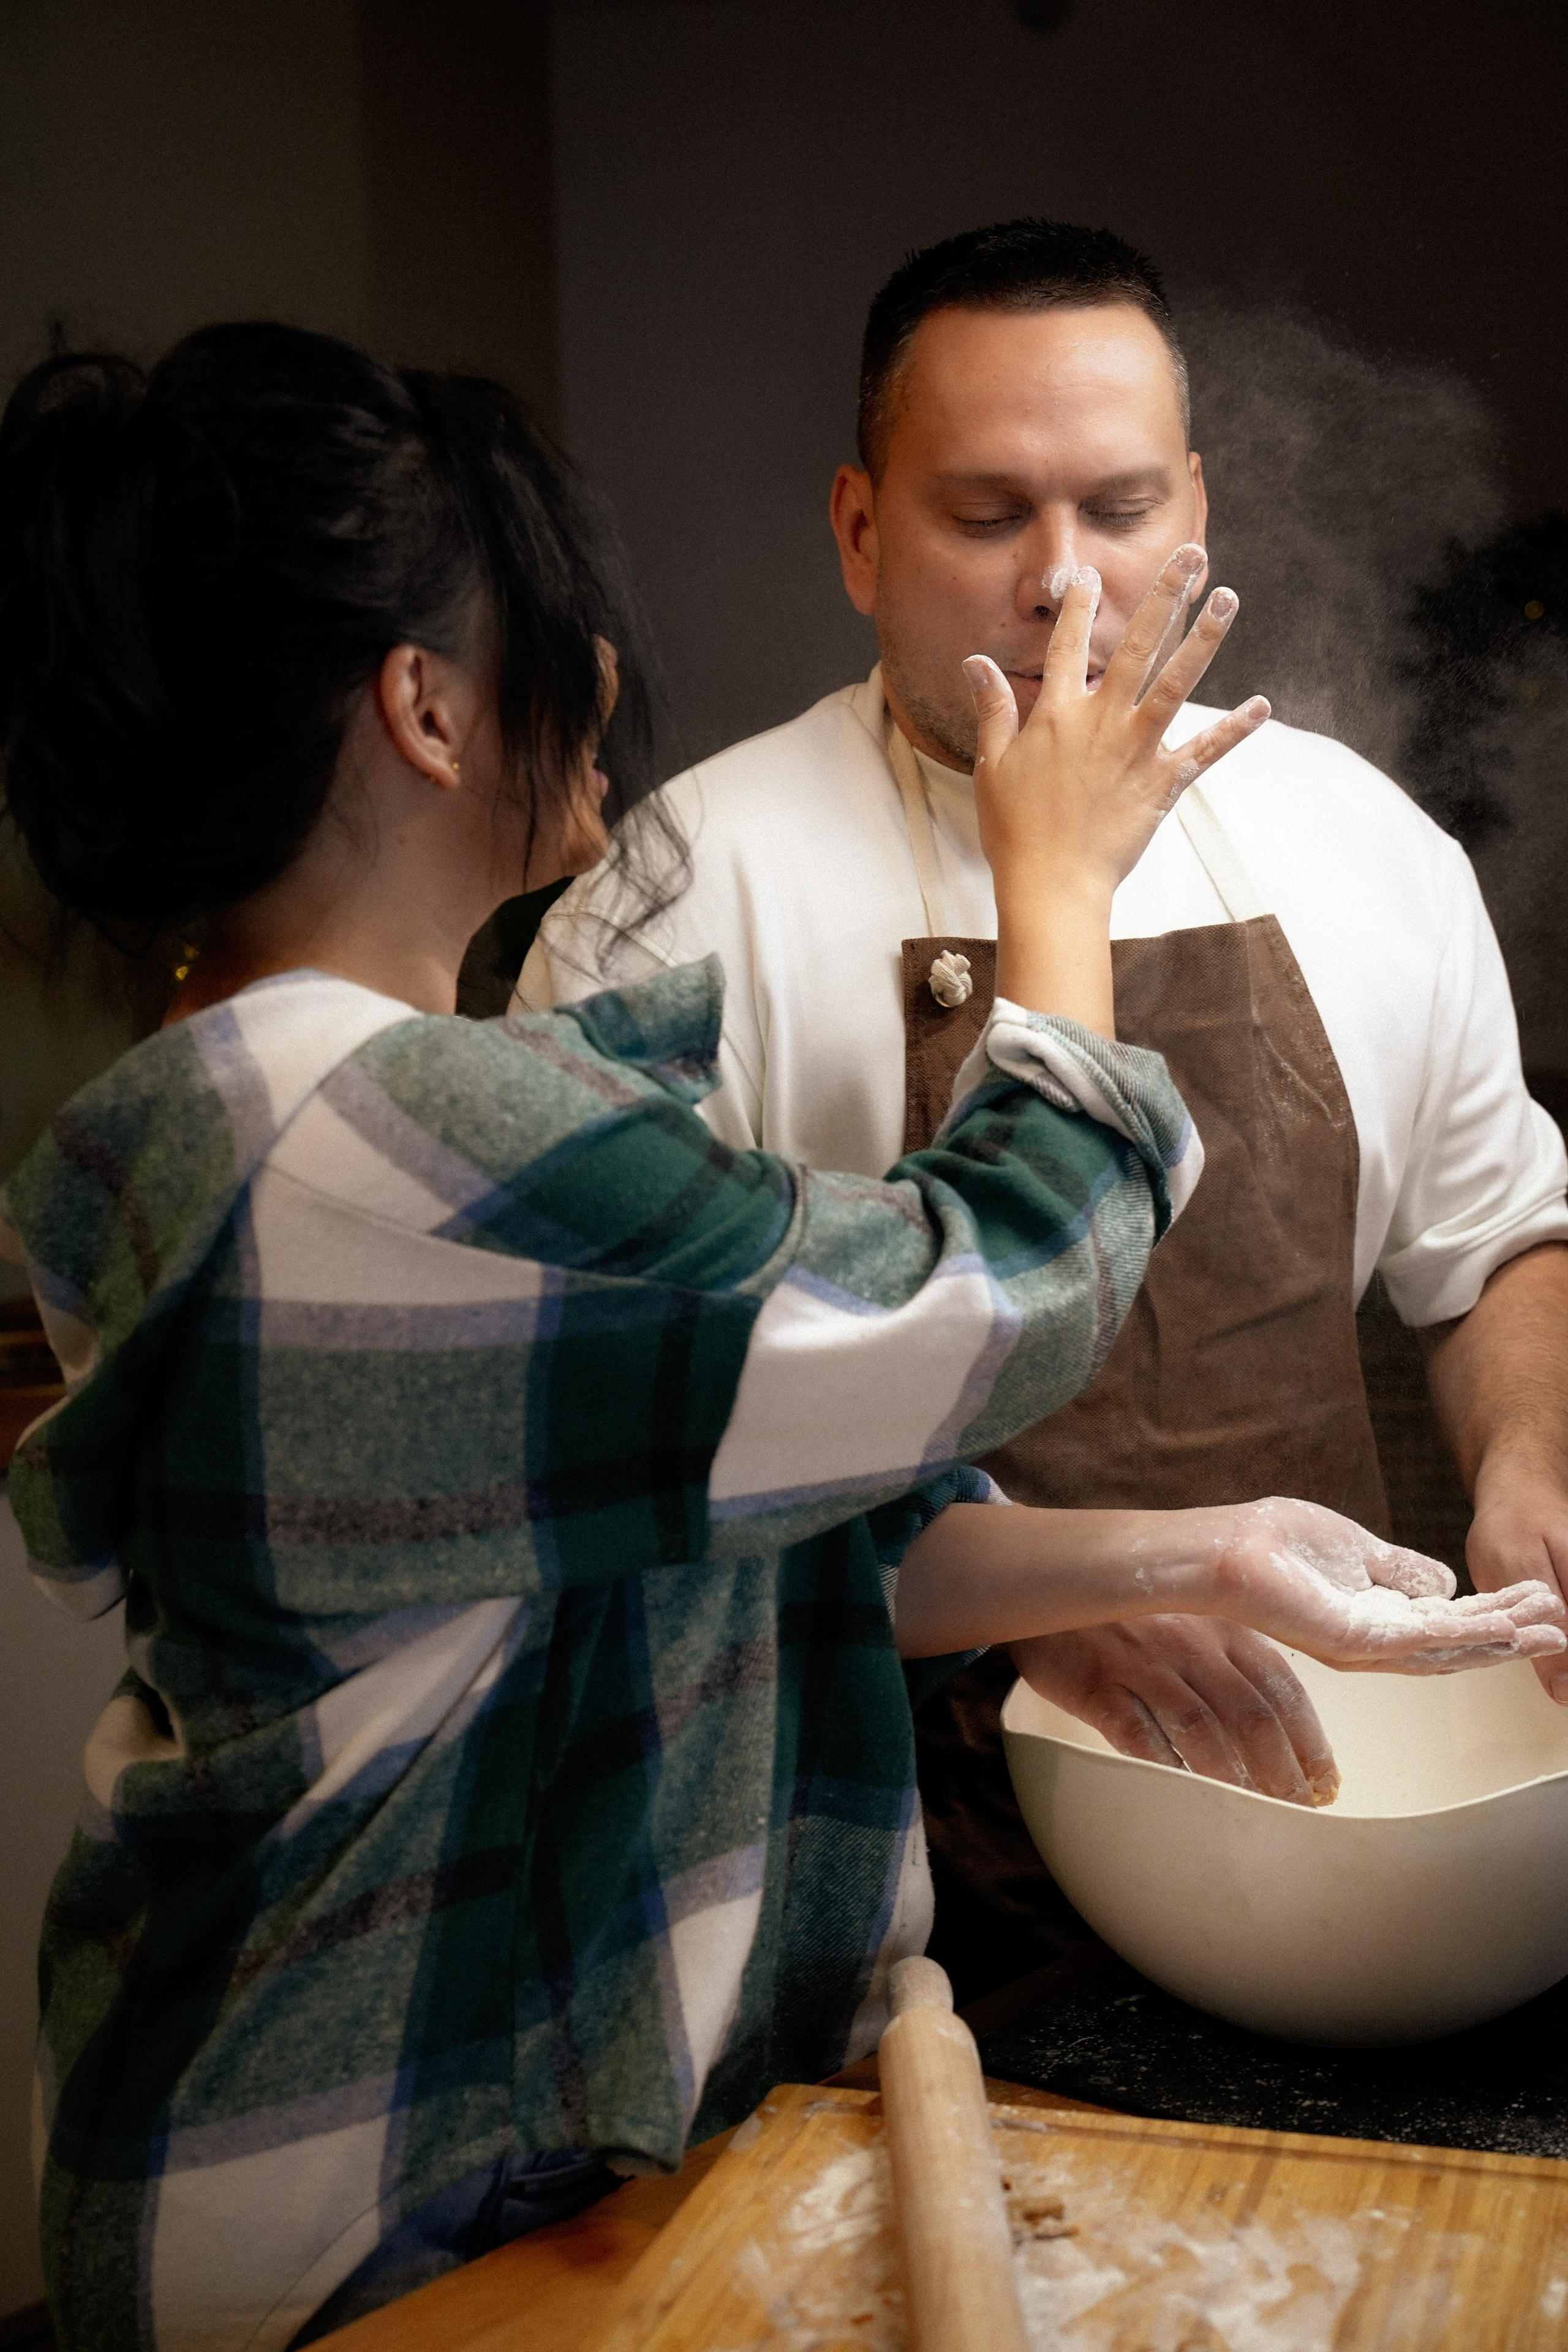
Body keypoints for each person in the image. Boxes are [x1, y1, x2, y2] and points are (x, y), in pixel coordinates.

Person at [2, 324, 1557, 2352]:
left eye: (1119, 506)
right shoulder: (396, 1136)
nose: (612, 692)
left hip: (380, 2153)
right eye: (557, 635)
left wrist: (1172, 1555)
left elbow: (665, 1510)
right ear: (427, 706)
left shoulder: (255, 1113)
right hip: (378, 2211)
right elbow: (1013, 1281)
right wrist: (1055, 887)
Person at [522, 218, 1568, 2000]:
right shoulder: (679, 900)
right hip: (872, 1866)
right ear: (861, 531)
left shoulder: (1368, 849)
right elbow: (611, 1446)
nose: (1064, 582)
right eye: (989, 516)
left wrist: (1527, 1457)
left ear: (1201, 513)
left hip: (1335, 1824)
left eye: (1122, 508)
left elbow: (1486, 1250)